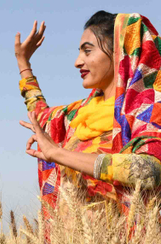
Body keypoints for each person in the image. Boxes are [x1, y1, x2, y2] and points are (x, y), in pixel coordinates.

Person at [15, 12, 161, 212]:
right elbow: (40, 116)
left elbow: (150, 171)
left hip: (121, 242)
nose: (77, 61)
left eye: (87, 51)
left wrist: (58, 153)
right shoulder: (79, 116)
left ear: (119, 52)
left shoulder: (145, 112)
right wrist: (23, 63)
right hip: (73, 241)